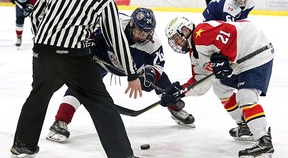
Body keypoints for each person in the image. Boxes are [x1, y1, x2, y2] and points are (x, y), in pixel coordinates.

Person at [10, 0, 140, 158]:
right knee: (101, 104)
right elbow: (116, 39)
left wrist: (42, 42)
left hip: (42, 51)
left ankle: (23, 144)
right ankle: (122, 154)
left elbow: (36, 15)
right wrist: (132, 73)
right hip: (73, 57)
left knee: (39, 95)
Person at [46, 8, 195, 143]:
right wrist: (88, 47)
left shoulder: (153, 43)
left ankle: (175, 108)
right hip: (103, 61)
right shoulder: (113, 24)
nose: (142, 35)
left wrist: (149, 75)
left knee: (164, 84)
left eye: (146, 31)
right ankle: (60, 121)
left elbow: (156, 65)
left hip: (135, 69)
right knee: (81, 84)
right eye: (139, 30)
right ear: (131, 24)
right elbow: (88, 30)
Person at [162, 16, 275, 158]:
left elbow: (232, 31)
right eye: (173, 41)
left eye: (176, 38)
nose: (176, 43)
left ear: (185, 30)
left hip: (255, 51)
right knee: (220, 87)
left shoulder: (201, 32)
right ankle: (244, 125)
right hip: (240, 62)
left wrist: (226, 58)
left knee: (246, 96)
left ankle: (264, 141)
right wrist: (179, 91)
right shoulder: (195, 53)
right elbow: (200, 81)